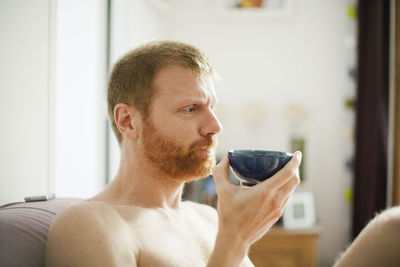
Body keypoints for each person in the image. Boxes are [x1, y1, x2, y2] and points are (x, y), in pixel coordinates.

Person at [45, 40, 302, 266]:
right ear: (128, 122)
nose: (215, 126)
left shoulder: (208, 219)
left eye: (212, 107)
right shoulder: (90, 225)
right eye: (190, 109)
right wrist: (234, 241)